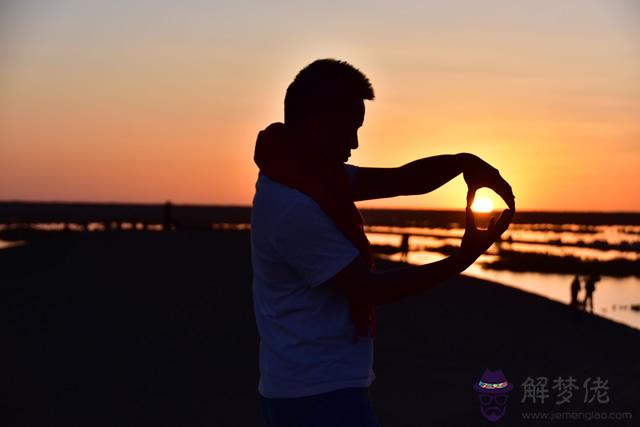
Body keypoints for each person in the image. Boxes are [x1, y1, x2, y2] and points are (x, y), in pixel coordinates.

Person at [250, 58, 515, 427]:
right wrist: (460, 260)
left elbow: (404, 180)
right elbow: (368, 290)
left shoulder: (309, 176)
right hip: (315, 397)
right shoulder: (293, 204)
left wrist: (464, 163)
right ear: (316, 124)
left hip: (316, 388)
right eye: (350, 129)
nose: (355, 143)